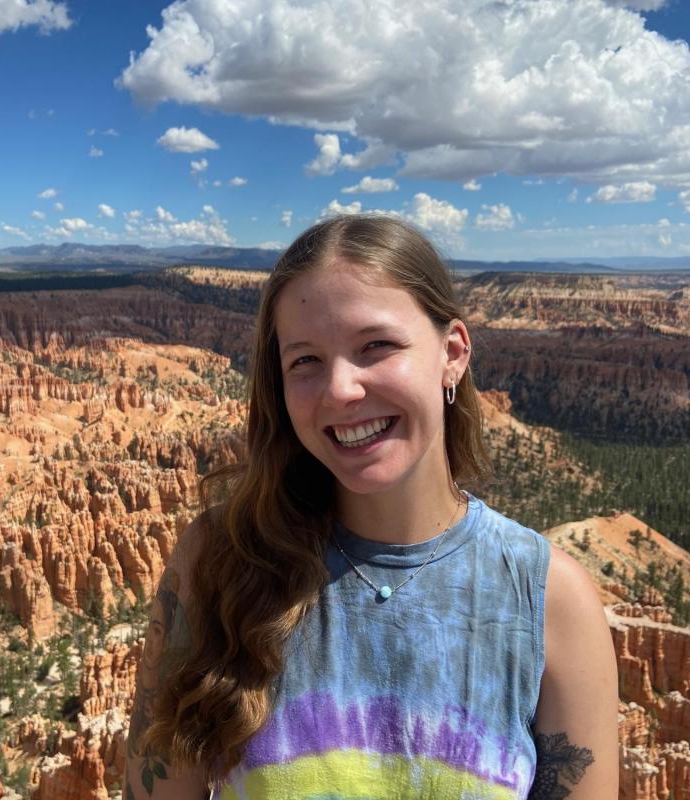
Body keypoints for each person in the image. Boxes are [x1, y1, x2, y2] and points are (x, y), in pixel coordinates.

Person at [124, 214, 619, 800]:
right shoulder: (219, 561)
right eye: (305, 360)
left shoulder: (549, 600)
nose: (340, 389)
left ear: (453, 353)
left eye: (375, 346)